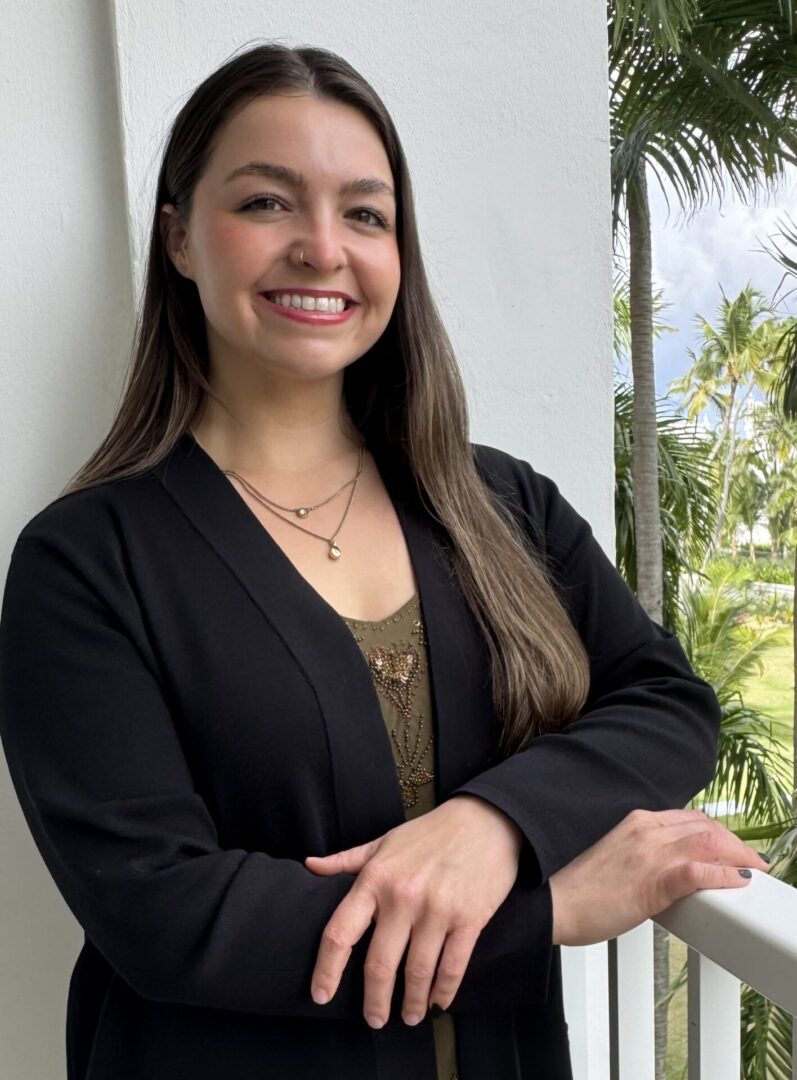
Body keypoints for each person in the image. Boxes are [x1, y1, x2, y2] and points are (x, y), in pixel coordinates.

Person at [0, 41, 768, 1080]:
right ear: (178, 238)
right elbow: (163, 913)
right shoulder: (86, 561)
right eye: (266, 203)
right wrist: (543, 910)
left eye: (365, 214)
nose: (322, 248)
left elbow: (665, 700)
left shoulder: (498, 503)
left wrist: (493, 823)